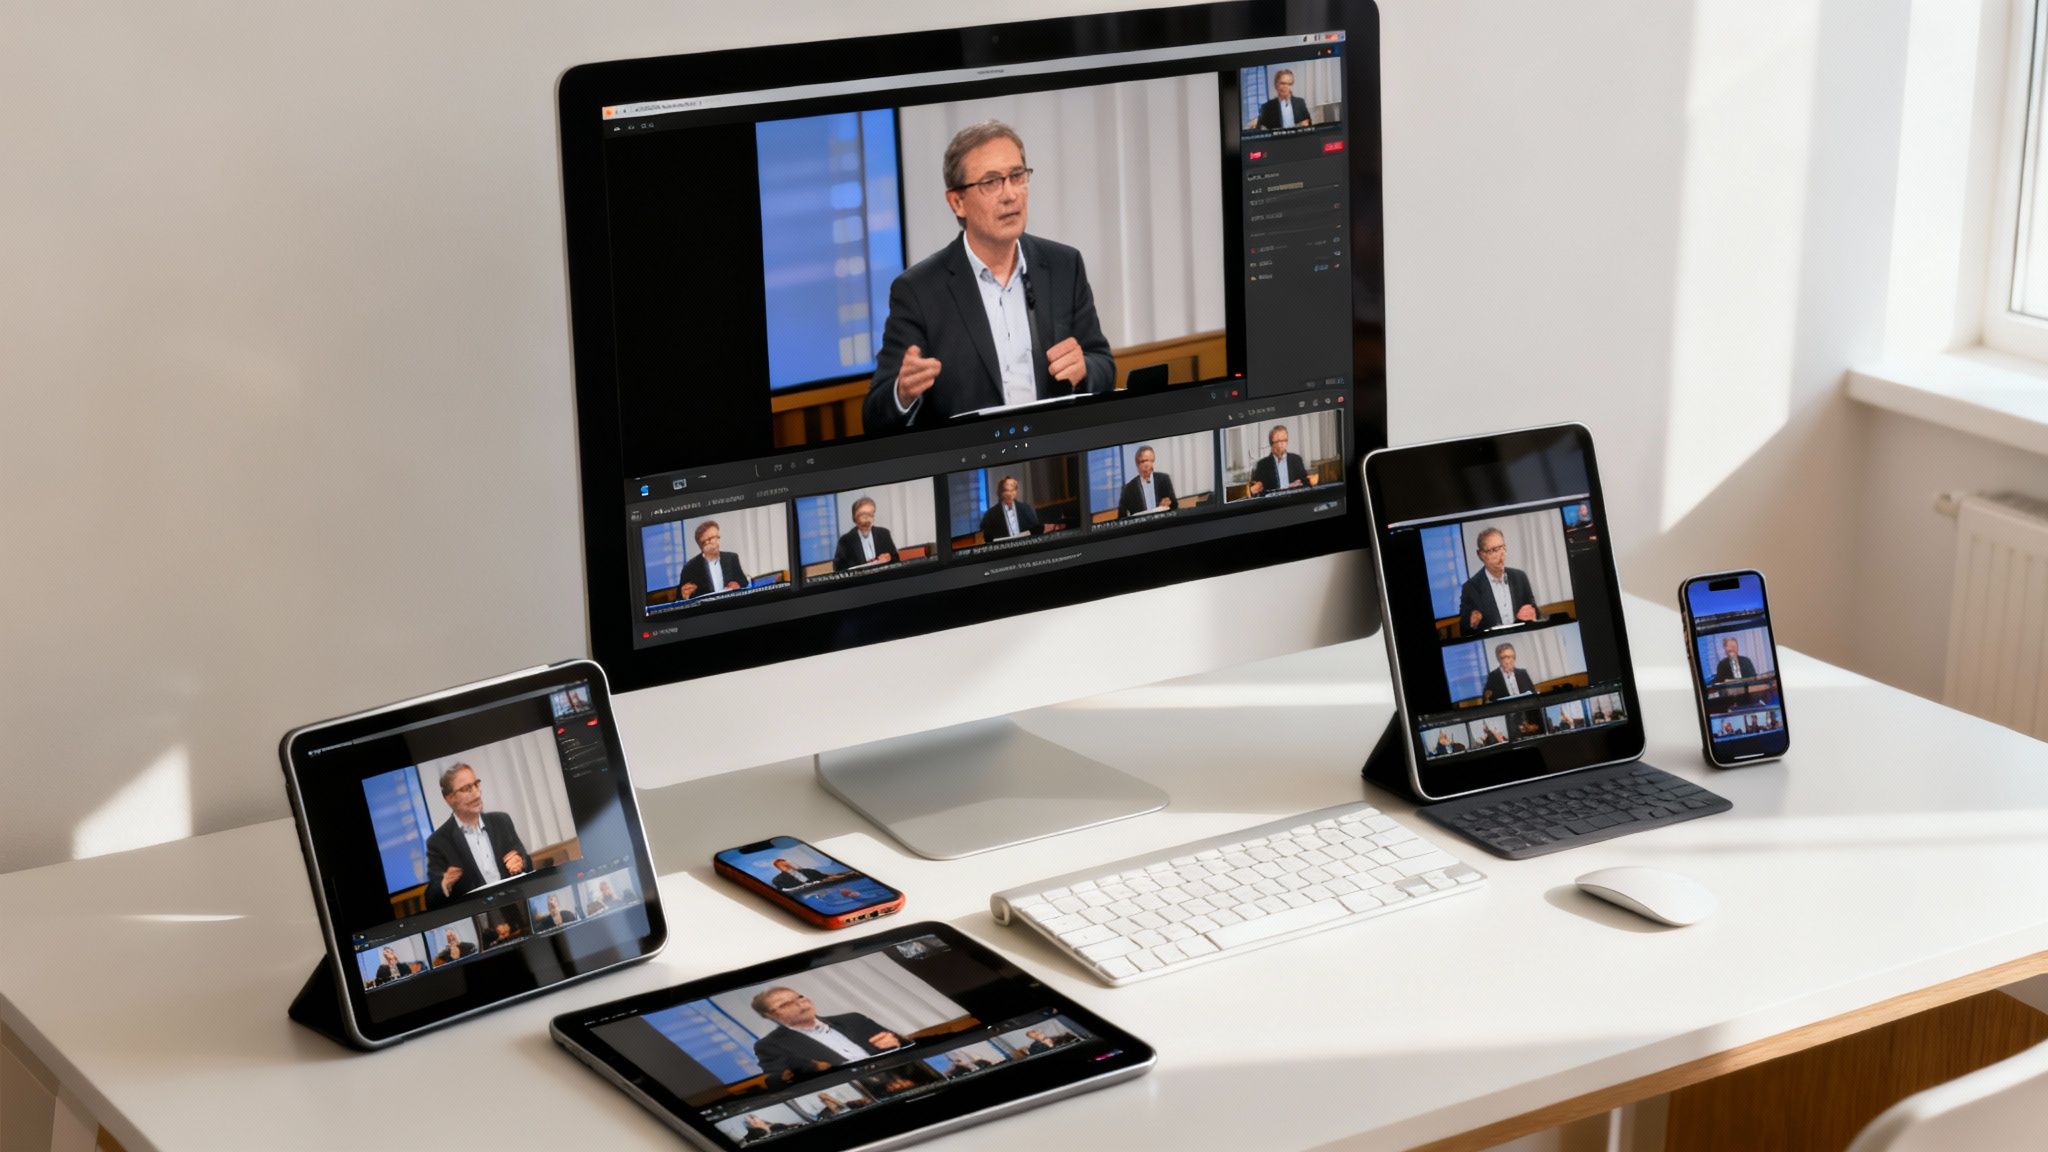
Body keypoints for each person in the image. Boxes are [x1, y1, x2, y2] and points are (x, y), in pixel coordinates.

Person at [864, 121, 1114, 433]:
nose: (1010, 194)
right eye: (991, 182)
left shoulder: (1064, 265)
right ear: (957, 202)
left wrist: (1084, 369)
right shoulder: (918, 291)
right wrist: (903, 392)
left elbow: (1103, 365)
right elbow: (875, 418)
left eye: (1017, 176)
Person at [422, 763, 528, 910]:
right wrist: (444, 884)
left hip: (517, 905)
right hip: (480, 916)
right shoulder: (438, 841)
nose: (477, 794)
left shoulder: (502, 821)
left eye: (476, 785)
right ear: (449, 798)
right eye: (466, 789)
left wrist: (520, 861)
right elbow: (431, 900)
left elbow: (526, 861)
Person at [750, 986, 905, 1085]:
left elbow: (906, 1046)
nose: (800, 1004)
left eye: (800, 997)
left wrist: (896, 1044)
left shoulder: (853, 1019)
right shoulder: (769, 1045)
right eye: (784, 1004)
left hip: (905, 1077)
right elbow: (777, 1082)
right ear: (769, 1015)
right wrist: (809, 1070)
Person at [1457, 527, 1540, 633]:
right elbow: (1464, 629)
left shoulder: (1520, 577)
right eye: (1494, 550)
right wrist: (1472, 622)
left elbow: (1535, 612)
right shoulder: (1471, 587)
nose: (1501, 554)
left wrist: (1532, 613)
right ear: (1481, 555)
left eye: (1502, 547)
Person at [677, 520, 747, 600]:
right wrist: (684, 595)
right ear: (701, 544)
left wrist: (738, 585)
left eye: (717, 537)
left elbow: (744, 582)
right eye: (710, 539)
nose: (716, 542)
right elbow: (680, 597)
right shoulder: (690, 567)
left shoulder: (732, 558)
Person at [977, 475, 1055, 539]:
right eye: (1006, 490)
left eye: (1012, 490)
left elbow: (1036, 530)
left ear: (1016, 492)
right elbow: (987, 537)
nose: (1009, 494)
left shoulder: (1026, 509)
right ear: (1000, 492)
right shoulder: (990, 514)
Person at [831, 497, 898, 571]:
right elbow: (838, 568)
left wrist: (890, 557)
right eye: (862, 515)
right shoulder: (845, 540)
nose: (867, 519)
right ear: (854, 518)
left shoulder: (884, 534)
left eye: (870, 514)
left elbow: (896, 559)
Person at [1248, 425, 1315, 495]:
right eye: (1279, 441)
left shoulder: (1296, 460)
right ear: (1271, 443)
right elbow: (1257, 491)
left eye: (1285, 440)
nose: (1282, 444)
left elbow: (1307, 483)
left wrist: (1299, 483)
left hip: (1294, 498)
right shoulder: (1263, 464)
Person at [1117, 445, 1177, 516]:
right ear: (1137, 464)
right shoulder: (1127, 489)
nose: (1146, 465)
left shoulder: (1164, 479)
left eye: (1148, 460)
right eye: (1142, 461)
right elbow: (1121, 517)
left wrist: (1169, 503)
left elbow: (1175, 506)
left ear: (1153, 461)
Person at [736, 1114, 801, 1144]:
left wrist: (798, 1124)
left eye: (752, 1118)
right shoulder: (751, 1134)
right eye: (748, 1121)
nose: (752, 1121)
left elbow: (789, 1126)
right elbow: (743, 1142)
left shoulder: (777, 1125)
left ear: (758, 1117)